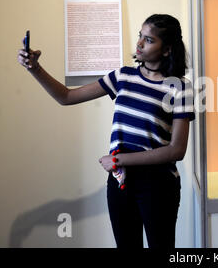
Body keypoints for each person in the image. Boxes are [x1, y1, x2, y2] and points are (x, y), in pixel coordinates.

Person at [17, 14, 195, 248]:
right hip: (120, 181)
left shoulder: (180, 87)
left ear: (167, 49)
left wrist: (119, 159)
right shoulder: (123, 76)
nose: (140, 43)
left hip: (158, 185)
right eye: (140, 36)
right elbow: (66, 96)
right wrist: (35, 68)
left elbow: (176, 150)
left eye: (149, 40)